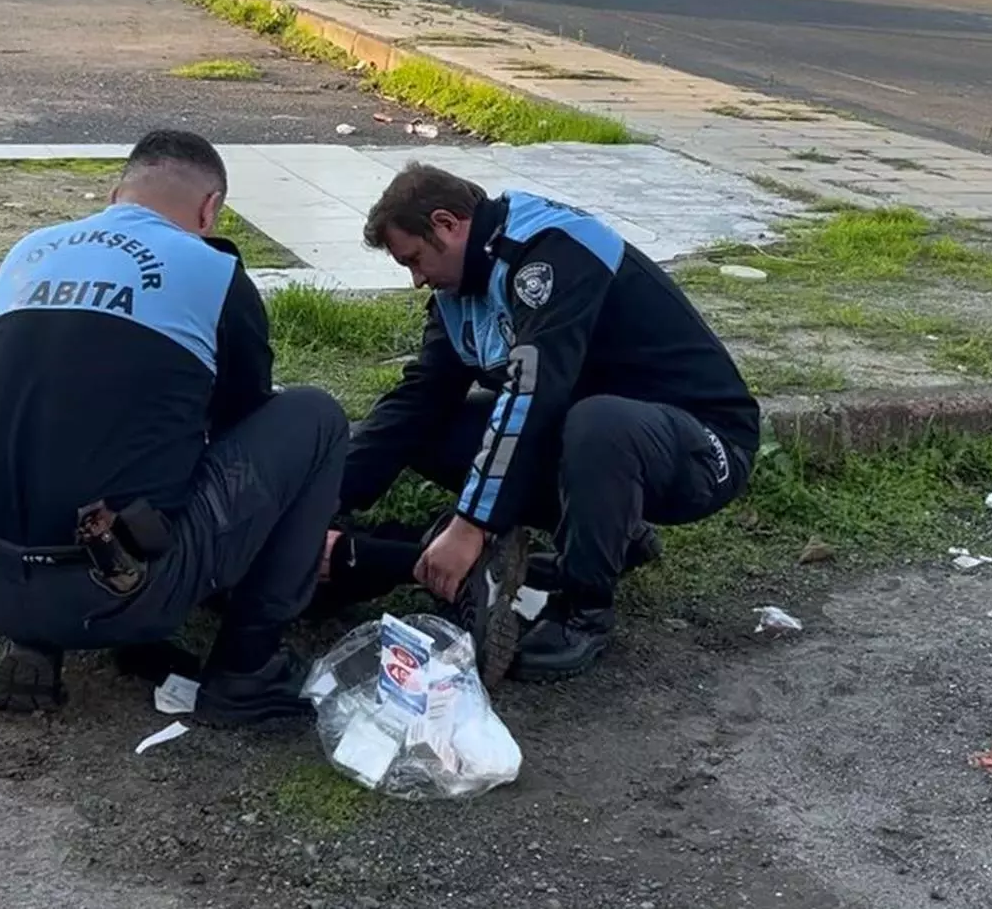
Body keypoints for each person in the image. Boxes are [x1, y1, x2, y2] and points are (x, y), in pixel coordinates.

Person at [0, 129, 348, 724]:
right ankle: (246, 672)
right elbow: (242, 423)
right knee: (317, 418)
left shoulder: (27, 251)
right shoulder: (213, 273)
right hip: (114, 588)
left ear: (115, 194)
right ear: (210, 209)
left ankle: (35, 641)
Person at [325, 162, 760, 685]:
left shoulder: (552, 250)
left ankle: (584, 613)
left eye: (414, 259)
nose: (416, 280)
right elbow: (417, 400)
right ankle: (609, 538)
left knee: (596, 422)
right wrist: (325, 500)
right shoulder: (459, 291)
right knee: (432, 427)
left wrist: (470, 526)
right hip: (603, 436)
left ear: (447, 223)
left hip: (703, 442)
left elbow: (533, 390)